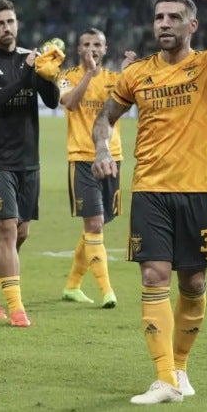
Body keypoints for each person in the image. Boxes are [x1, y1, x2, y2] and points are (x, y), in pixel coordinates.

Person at [92, 0, 207, 404]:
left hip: (198, 190)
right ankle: (164, 378)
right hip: (149, 190)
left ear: (192, 26)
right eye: (158, 17)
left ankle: (180, 367)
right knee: (154, 275)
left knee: (194, 284)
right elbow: (104, 118)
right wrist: (100, 149)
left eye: (173, 18)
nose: (163, 24)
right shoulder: (137, 74)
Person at [0, 0, 61, 327]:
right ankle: (17, 309)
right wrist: (26, 75)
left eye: (11, 21)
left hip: (28, 159)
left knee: (20, 234)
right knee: (6, 232)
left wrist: (49, 74)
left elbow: (52, 102)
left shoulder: (29, 59)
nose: (7, 28)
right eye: (0, 23)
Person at [56, 29, 135, 307]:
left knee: (96, 227)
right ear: (79, 50)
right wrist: (88, 74)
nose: (92, 49)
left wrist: (130, 74)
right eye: (87, 44)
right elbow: (69, 103)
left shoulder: (115, 79)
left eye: (97, 44)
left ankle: (72, 286)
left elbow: (132, 100)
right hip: (81, 159)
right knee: (95, 224)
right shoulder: (67, 76)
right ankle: (107, 292)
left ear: (105, 48)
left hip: (112, 157)